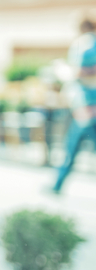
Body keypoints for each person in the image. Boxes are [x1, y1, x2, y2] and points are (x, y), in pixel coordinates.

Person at [51, 19, 96, 194]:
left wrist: (64, 71)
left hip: (86, 107)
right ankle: (57, 184)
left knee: (71, 147)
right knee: (72, 146)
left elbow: (78, 72)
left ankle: (57, 184)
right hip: (87, 107)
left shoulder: (84, 44)